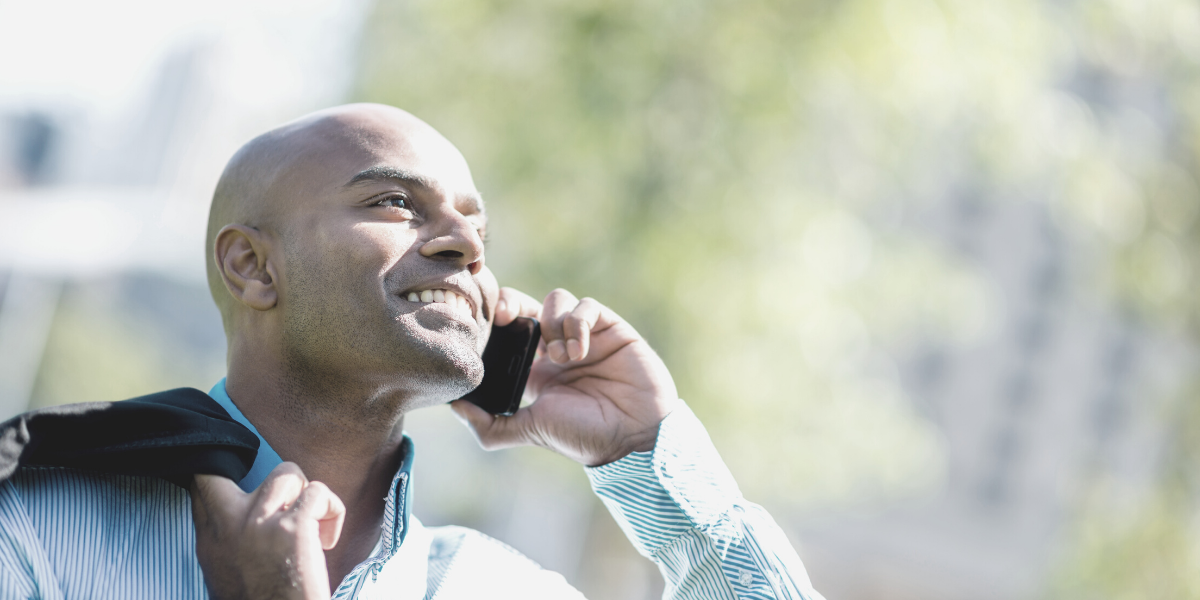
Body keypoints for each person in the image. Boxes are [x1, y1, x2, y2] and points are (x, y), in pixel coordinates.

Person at [0, 104, 825, 600]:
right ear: (253, 266)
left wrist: (647, 453)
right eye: (396, 201)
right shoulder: (30, 526)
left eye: (478, 227)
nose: (466, 242)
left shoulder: (502, 590)